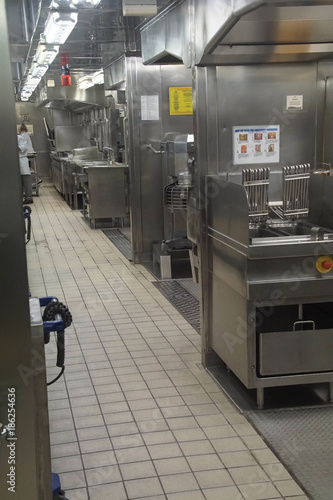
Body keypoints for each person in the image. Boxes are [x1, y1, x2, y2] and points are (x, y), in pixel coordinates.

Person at [18, 133, 33, 204]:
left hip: (22, 161)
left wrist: (15, 147)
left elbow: (24, 147)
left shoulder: (19, 138)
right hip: (15, 162)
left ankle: (29, 198)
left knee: (26, 180)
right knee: (19, 182)